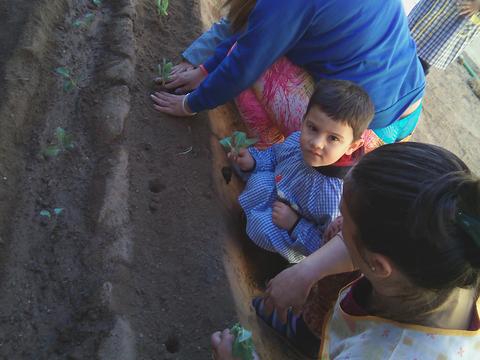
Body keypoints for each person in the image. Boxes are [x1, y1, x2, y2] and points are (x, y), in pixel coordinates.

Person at [211, 142, 480, 359]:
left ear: (378, 266)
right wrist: (306, 271)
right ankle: (308, 334)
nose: (337, 223)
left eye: (344, 219)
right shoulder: (460, 242)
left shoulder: (377, 353)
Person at [151, 0, 425, 152]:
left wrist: (191, 104)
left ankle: (275, 155)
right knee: (266, 47)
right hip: (407, 107)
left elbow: (245, 61)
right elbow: (254, 31)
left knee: (259, 69)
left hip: (357, 133)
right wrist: (205, 69)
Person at [230, 79, 373, 263]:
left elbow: (324, 246)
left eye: (333, 138)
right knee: (261, 181)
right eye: (312, 128)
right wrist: (254, 161)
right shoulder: (296, 141)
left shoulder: (334, 195)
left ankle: (266, 262)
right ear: (304, 119)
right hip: (276, 199)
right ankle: (247, 218)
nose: (316, 143)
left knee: (262, 227)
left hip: (289, 233)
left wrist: (295, 224)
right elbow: (275, 156)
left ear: (352, 146)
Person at [409, 0, 480, 75]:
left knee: (423, 60)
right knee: (404, 38)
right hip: (437, 5)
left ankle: (407, 82)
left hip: (463, 14)